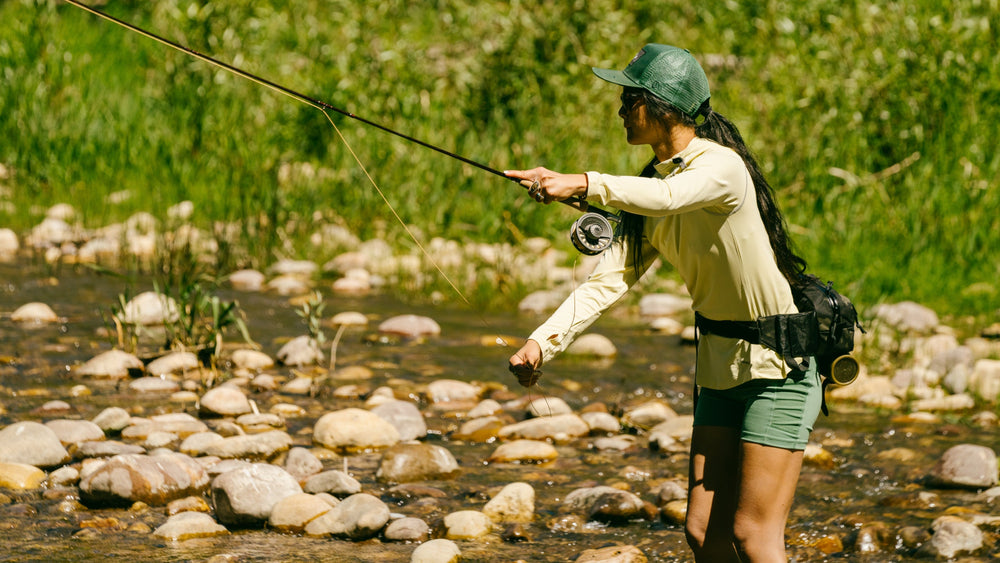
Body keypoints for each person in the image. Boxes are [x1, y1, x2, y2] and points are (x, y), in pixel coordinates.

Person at [504, 44, 821, 562]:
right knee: (702, 532)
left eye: (629, 98)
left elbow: (674, 198)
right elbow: (606, 282)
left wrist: (585, 182)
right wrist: (542, 343)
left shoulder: (721, 168)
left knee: (752, 534)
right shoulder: (650, 184)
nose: (620, 110)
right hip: (719, 373)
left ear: (662, 106)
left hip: (778, 368)